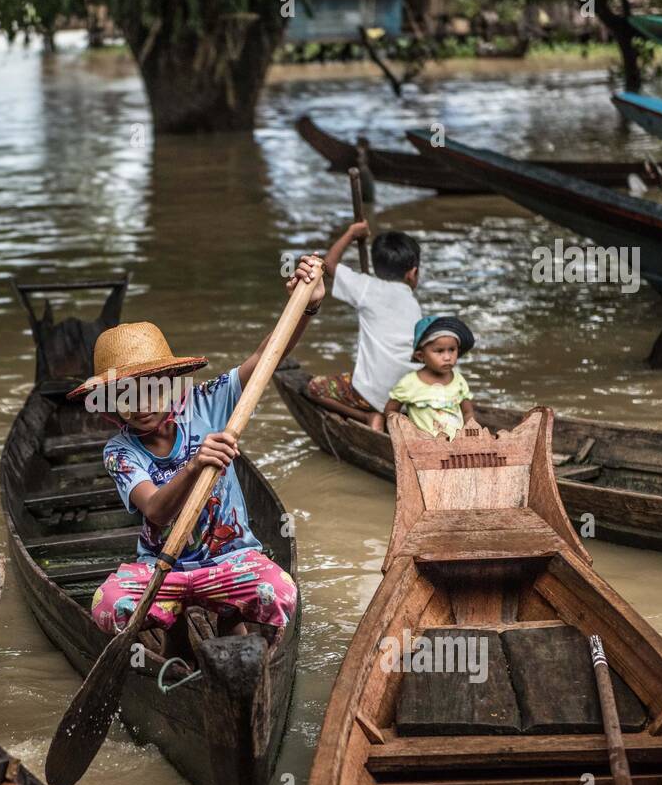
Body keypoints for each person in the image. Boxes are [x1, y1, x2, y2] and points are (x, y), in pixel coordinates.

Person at [68, 255, 326, 646]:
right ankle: (174, 626)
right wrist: (194, 465)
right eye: (126, 396)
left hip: (229, 562)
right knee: (109, 605)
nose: (140, 406)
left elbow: (266, 357)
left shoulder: (205, 403)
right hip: (164, 568)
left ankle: (227, 616)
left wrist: (307, 304)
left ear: (170, 383)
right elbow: (155, 510)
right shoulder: (120, 451)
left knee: (282, 592)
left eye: (150, 389)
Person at [306, 224, 423, 433]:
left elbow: (328, 264)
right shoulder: (412, 303)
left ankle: (368, 415)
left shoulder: (366, 287)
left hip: (372, 392)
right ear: (413, 273)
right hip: (409, 394)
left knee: (313, 388)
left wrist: (351, 233)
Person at [385, 316, 476, 439]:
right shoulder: (410, 383)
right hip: (423, 446)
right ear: (420, 356)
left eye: (452, 350)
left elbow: (467, 412)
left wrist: (472, 431)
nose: (447, 357)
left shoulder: (458, 380)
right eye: (439, 351)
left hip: (457, 445)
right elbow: (391, 411)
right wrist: (405, 432)